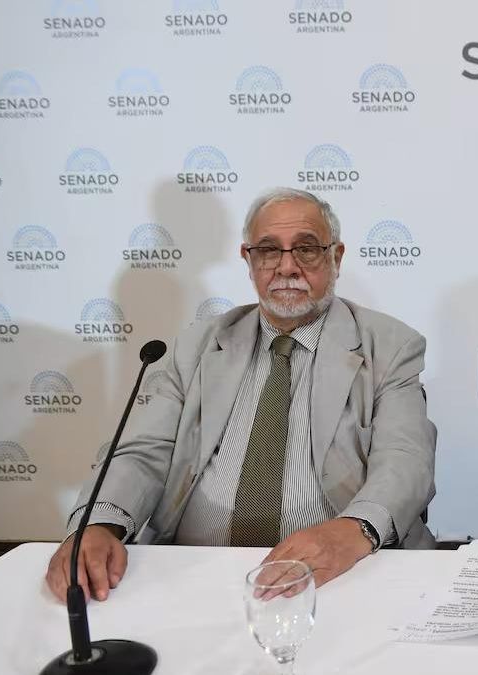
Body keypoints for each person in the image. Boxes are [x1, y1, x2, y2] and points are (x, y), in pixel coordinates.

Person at [45, 187, 437, 602]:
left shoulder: (390, 345)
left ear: (335, 257)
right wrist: (98, 525)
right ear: (248, 261)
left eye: (306, 249)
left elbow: (405, 458)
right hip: (194, 572)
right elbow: (142, 451)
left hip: (338, 575)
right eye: (268, 251)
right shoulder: (195, 345)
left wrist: (353, 530)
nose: (287, 267)